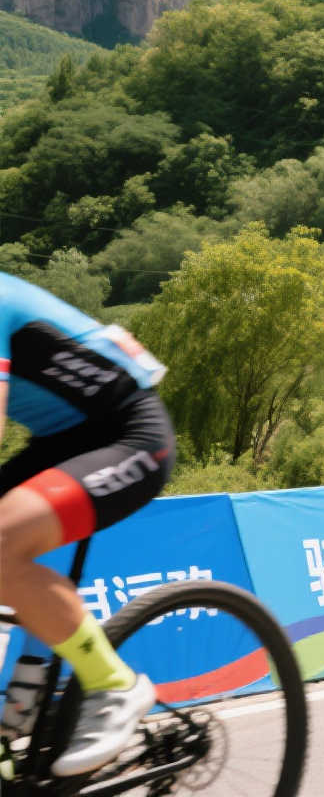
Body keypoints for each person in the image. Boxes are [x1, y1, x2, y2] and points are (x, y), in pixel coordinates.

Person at [0, 274, 173, 776]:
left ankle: (114, 685)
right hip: (60, 443)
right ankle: (21, 699)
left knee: (1, 543)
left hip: (129, 434)